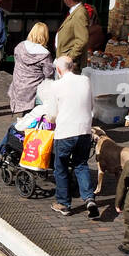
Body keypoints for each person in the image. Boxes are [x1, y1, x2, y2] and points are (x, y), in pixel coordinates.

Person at [39, 56, 98, 217]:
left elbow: (52, 114)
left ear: (58, 70)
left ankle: (64, 203)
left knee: (61, 167)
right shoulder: (85, 80)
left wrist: (49, 119)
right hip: (84, 129)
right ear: (72, 67)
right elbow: (92, 105)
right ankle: (89, 198)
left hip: (65, 132)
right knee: (81, 164)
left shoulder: (56, 85)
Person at [8, 21, 56, 117]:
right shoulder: (44, 54)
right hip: (33, 90)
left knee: (26, 116)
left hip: (18, 86)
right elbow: (49, 73)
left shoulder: (20, 46)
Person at [55, 0, 88, 72]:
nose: (64, 1)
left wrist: (70, 57)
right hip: (63, 60)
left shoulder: (80, 14)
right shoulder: (75, 11)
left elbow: (82, 40)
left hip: (69, 64)